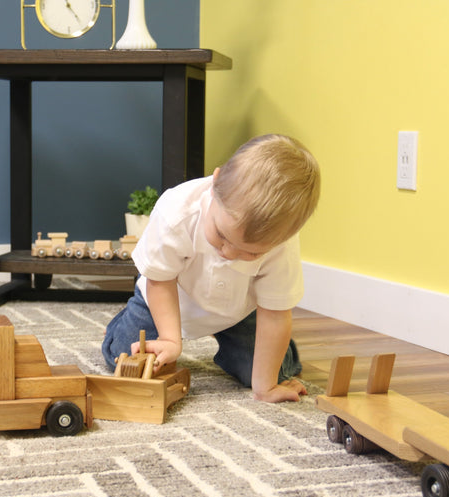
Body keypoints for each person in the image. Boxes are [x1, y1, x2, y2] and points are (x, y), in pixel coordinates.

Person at [101, 134, 321, 403]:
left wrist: (265, 387)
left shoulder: (281, 245)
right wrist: (170, 339)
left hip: (239, 311)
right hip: (168, 297)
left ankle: (266, 354)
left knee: (272, 372)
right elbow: (160, 280)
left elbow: (275, 313)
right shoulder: (176, 211)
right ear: (215, 184)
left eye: (250, 252)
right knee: (123, 359)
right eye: (221, 235)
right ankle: (118, 324)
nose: (229, 253)